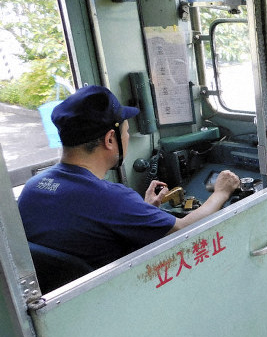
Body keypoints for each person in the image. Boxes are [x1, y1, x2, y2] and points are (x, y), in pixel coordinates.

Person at [18, 85, 241, 270]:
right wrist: (221, 192)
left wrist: (143, 210)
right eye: (125, 132)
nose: (127, 138)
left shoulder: (32, 187)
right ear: (109, 140)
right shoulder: (110, 198)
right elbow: (182, 230)